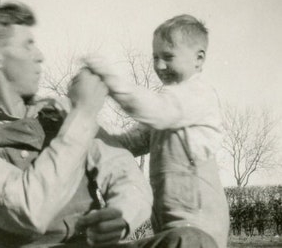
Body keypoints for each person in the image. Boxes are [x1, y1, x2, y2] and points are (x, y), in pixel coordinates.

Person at [0, 2, 152, 248]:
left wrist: (120, 216)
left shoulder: (60, 114)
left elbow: (125, 172)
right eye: (27, 45)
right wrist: (83, 114)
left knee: (188, 240)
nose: (40, 55)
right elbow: (29, 209)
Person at [84, 14, 230, 248]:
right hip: (170, 226)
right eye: (155, 57)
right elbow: (129, 143)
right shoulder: (168, 106)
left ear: (198, 59)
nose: (160, 66)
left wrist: (108, 80)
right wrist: (84, 134)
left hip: (201, 226)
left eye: (168, 57)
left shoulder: (197, 95)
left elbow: (152, 109)